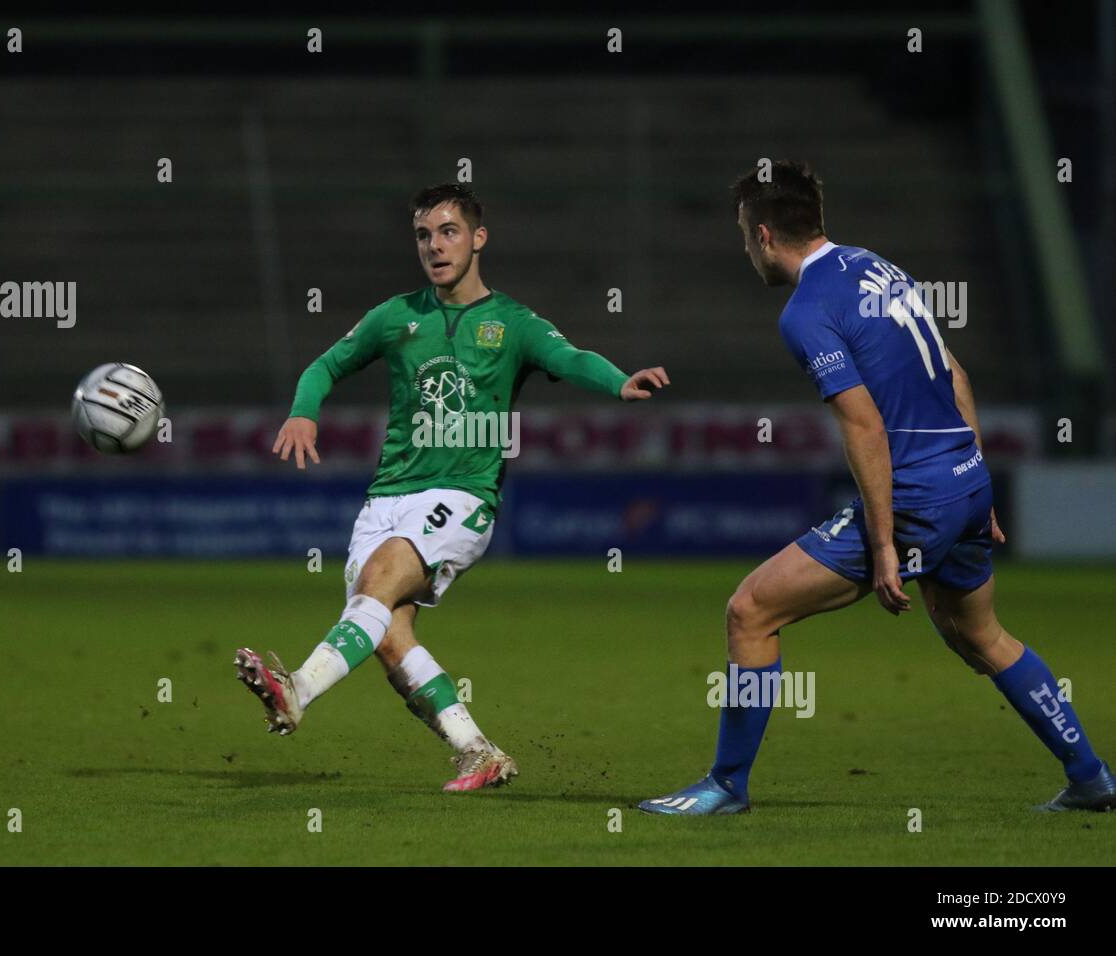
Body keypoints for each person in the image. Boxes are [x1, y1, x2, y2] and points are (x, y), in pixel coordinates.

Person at [640, 160, 1112, 815]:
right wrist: (977, 480)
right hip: (964, 482)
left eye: (745, 234)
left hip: (918, 497)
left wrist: (885, 543)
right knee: (982, 636)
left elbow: (863, 425)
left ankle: (726, 785)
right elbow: (953, 373)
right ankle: (1091, 778)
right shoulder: (879, 268)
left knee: (750, 612)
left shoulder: (805, 311)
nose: (745, 247)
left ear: (767, 234)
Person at [236, 182, 669, 792]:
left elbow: (571, 357)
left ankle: (299, 688)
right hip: (386, 497)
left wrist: (621, 382)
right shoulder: (397, 316)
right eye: (423, 235)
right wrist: (305, 409)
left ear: (477, 238)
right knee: (386, 635)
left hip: (462, 497)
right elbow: (326, 364)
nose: (435, 247)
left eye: (448, 232)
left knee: (380, 582)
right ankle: (477, 750)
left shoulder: (512, 323)